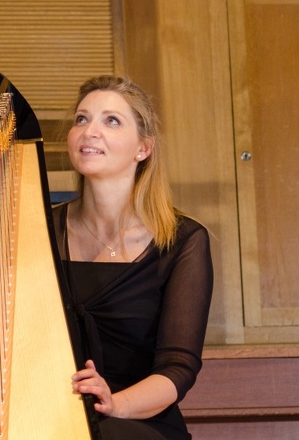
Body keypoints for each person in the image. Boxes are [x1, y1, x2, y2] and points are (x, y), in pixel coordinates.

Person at [57, 76, 213, 440]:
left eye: (111, 121)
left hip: (138, 422)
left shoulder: (182, 241)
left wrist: (113, 403)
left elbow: (178, 369)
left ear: (143, 148)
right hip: (52, 415)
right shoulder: (40, 231)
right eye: (82, 119)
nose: (90, 131)